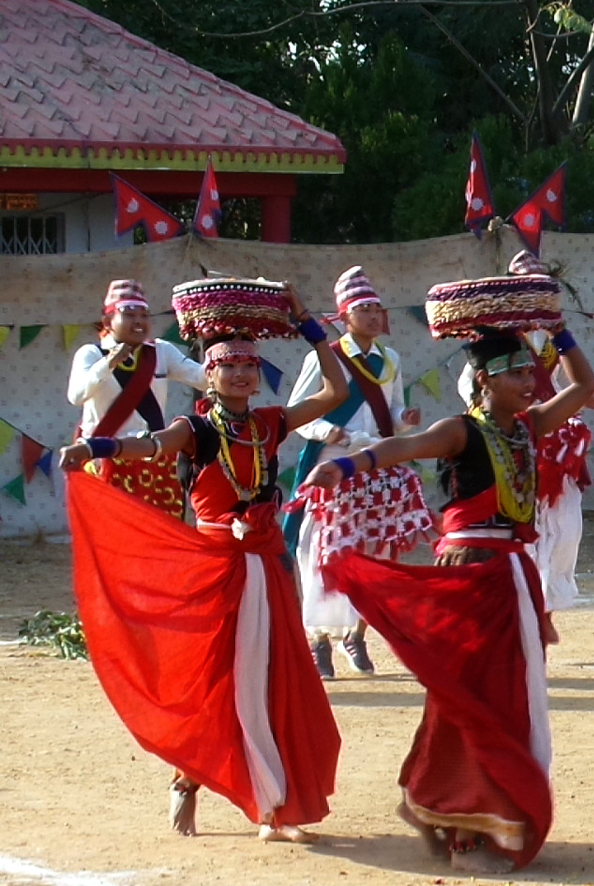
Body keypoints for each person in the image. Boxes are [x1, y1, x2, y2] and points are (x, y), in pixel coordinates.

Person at [303, 324, 594, 872]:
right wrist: (345, 466)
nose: (529, 381)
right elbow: (401, 446)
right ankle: (462, 821)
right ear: (484, 380)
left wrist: (557, 330)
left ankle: (460, 808)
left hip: (512, 571)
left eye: (530, 371)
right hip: (470, 569)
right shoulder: (460, 431)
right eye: (516, 372)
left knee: (508, 694)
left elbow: (584, 386)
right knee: (469, 696)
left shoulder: (529, 427)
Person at [57, 283, 346, 842]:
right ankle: (186, 783)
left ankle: (276, 806)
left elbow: (335, 388)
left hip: (268, 563)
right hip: (218, 566)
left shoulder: (269, 423)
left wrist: (308, 321)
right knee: (215, 684)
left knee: (275, 682)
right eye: (228, 366)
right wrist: (95, 449)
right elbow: (151, 445)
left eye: (248, 364)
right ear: (207, 376)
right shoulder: (197, 429)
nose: (240, 374)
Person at [457, 251, 594, 636]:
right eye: (529, 290)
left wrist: (582, 399)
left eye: (542, 290)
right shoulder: (496, 338)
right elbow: (470, 385)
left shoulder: (550, 336)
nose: (536, 299)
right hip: (511, 438)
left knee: (565, 526)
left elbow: (562, 385)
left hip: (550, 441)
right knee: (524, 526)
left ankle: (546, 611)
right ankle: (521, 610)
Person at [285, 266, 423, 678]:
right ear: (344, 316)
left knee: (372, 552)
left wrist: (405, 418)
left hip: (376, 465)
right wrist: (334, 432)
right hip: (331, 465)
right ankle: (319, 642)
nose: (373, 315)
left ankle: (356, 635)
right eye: (363, 308)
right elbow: (298, 414)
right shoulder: (325, 357)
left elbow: (392, 412)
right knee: (320, 553)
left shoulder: (391, 359)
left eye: (377, 308)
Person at [66, 279, 208, 517]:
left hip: (152, 456)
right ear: (108, 321)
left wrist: (220, 346)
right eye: (129, 314)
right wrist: (109, 363)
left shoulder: (161, 350)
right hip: (104, 456)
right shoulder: (90, 354)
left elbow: (201, 378)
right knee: (113, 534)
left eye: (144, 315)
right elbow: (76, 396)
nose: (139, 322)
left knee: (159, 534)